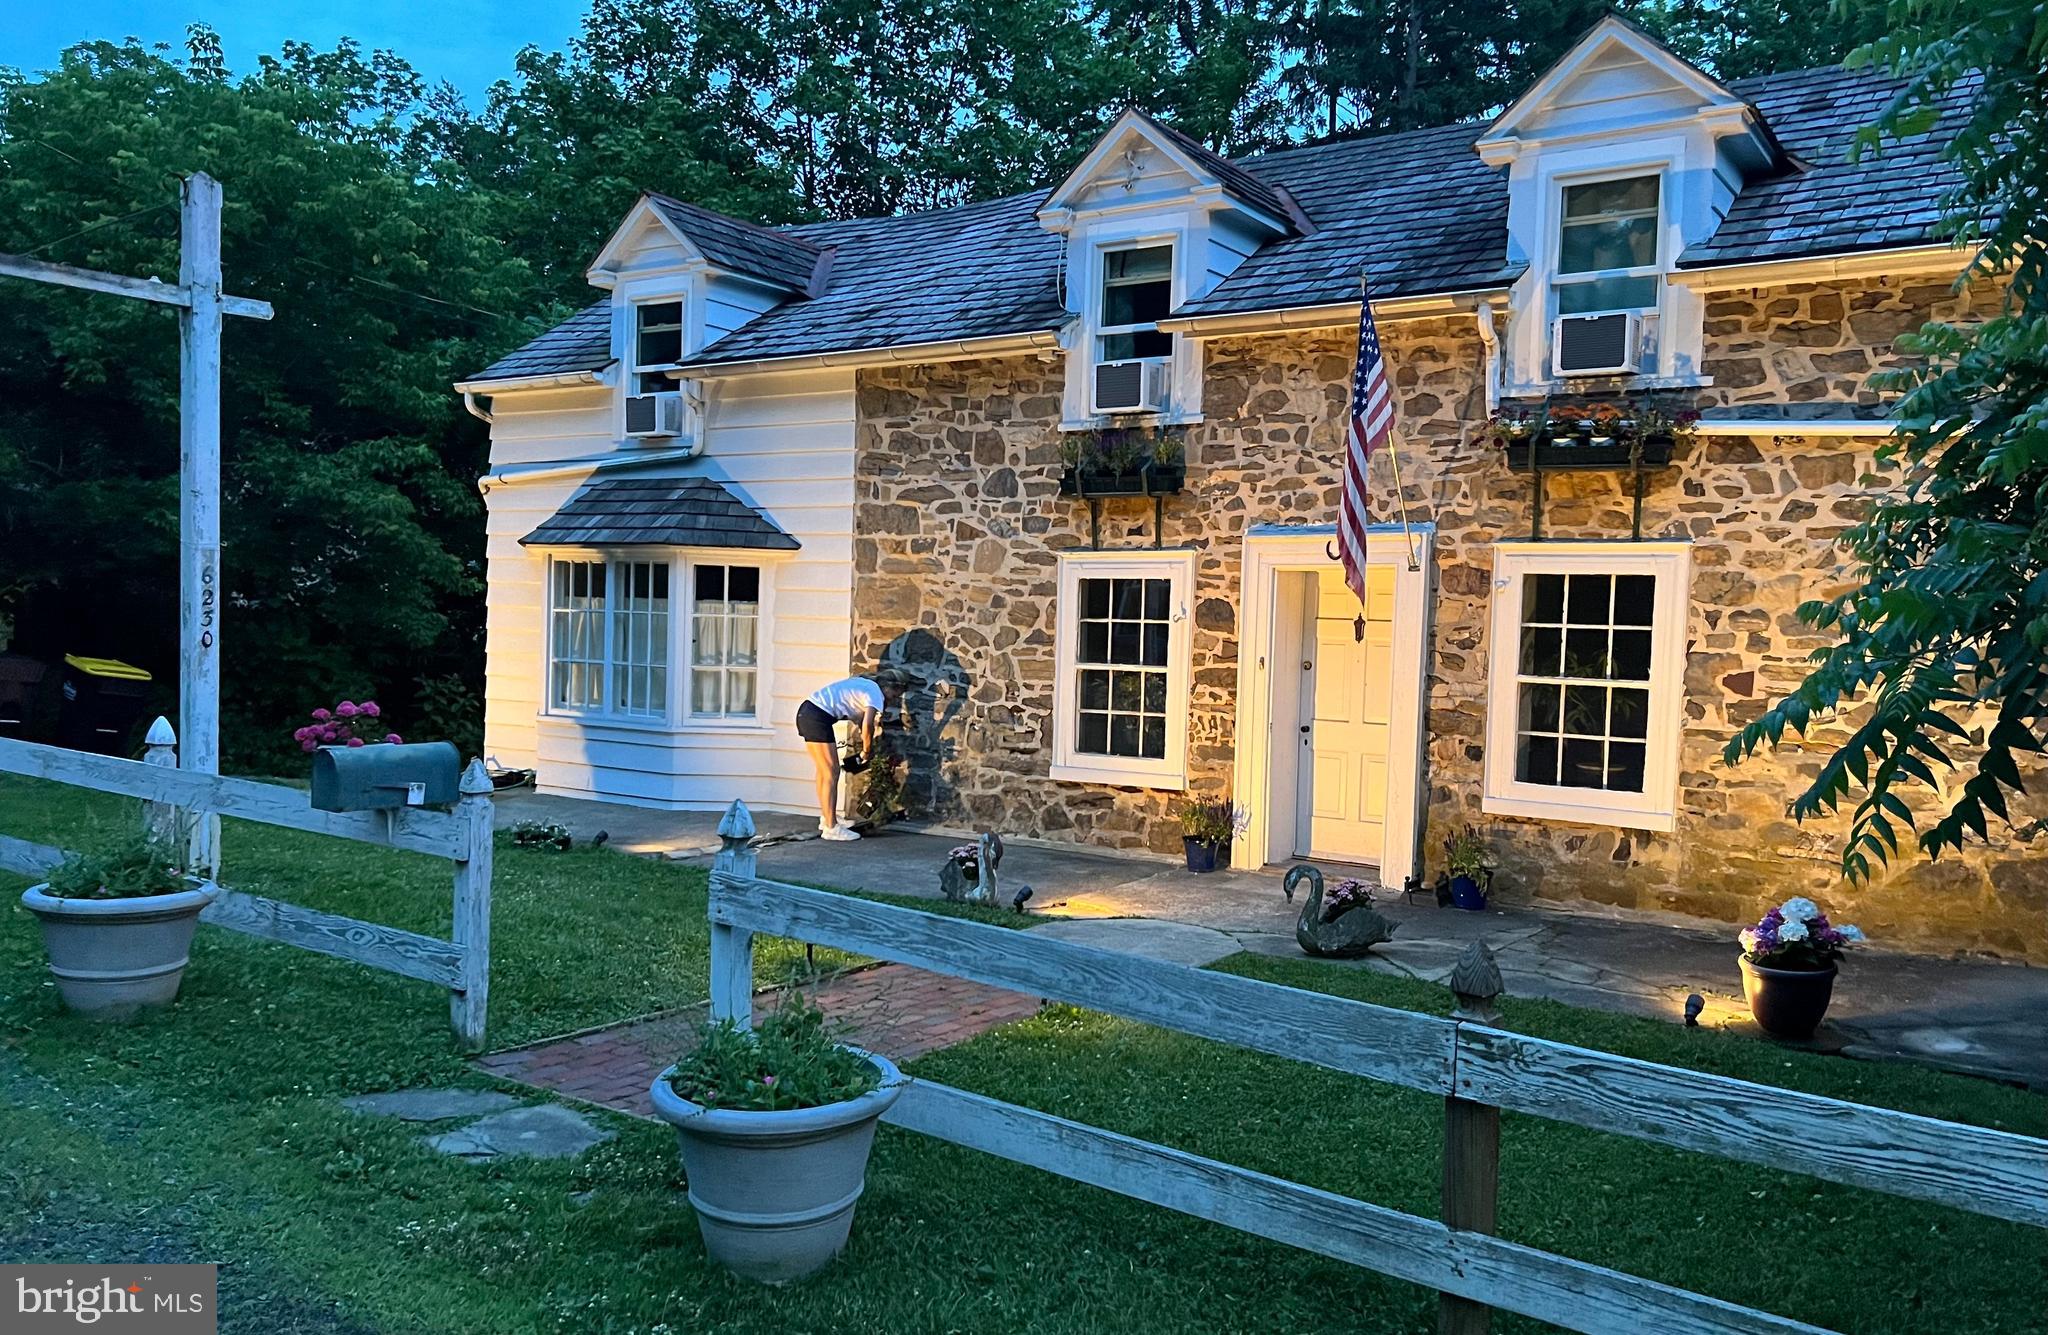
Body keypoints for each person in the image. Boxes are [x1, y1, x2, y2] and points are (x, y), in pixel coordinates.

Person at [796, 674, 884, 841]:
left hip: (807, 712)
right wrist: (867, 751)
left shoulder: (862, 686)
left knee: (824, 771)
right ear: (890, 689)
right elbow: (867, 725)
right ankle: (831, 828)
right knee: (831, 772)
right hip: (817, 717)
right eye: (895, 695)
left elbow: (860, 720)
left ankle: (827, 819)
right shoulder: (877, 694)